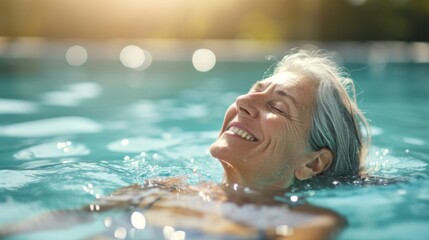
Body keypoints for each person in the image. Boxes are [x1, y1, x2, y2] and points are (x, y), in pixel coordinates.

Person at [0, 49, 370, 239]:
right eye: (253, 92)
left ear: (313, 163)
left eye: (276, 106)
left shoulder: (307, 222)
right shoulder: (161, 189)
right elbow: (47, 226)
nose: (243, 102)